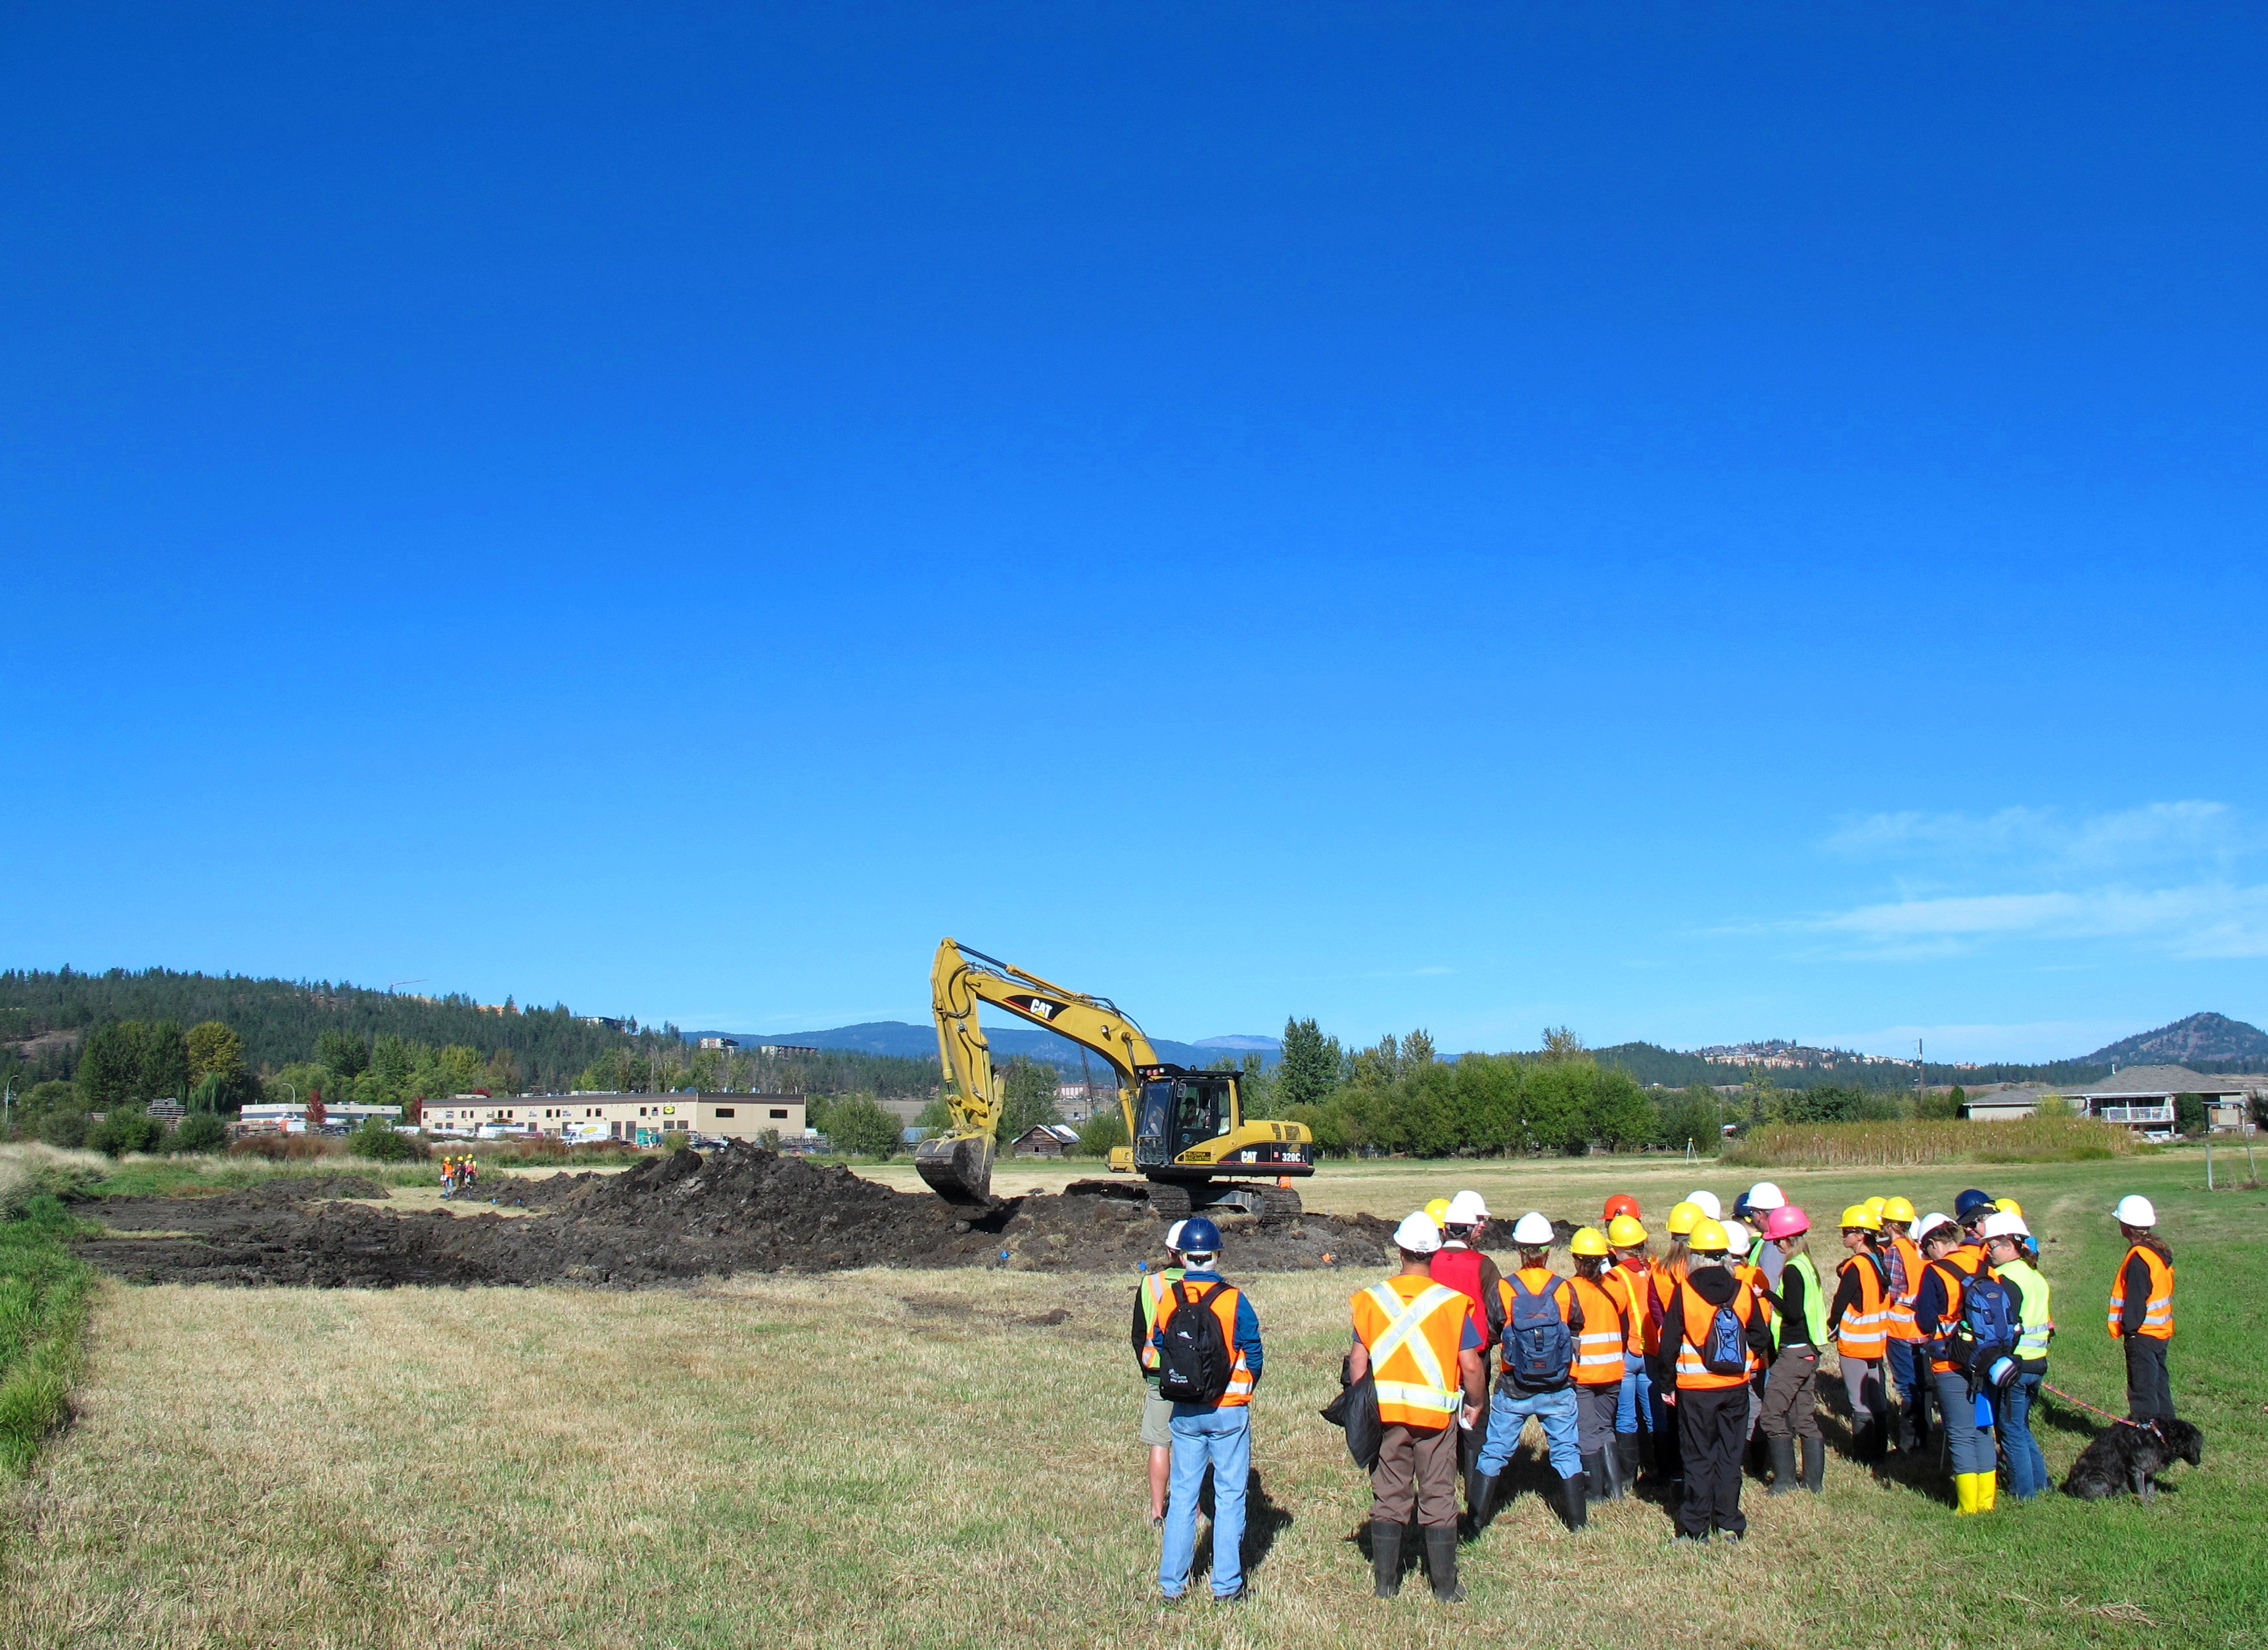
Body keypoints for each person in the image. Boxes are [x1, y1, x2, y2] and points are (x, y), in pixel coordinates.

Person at [1351, 1212, 1485, 1601]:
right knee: (1439, 1494)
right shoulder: (1452, 1304)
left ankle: (1385, 1584)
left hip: (1387, 1417)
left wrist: (1362, 1407)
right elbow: (1471, 1365)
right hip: (1436, 1419)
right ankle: (1445, 1587)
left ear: (1400, 1249)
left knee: (1389, 1494)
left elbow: (1358, 1361)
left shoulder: (1371, 1299)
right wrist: (1476, 1402)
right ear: (1436, 1252)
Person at [1151, 1216, 1264, 1603]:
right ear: (1217, 1255)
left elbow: (1161, 1343)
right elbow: (1254, 1349)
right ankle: (1227, 1587)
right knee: (1230, 1496)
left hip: (1184, 1410)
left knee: (1183, 1496)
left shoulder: (1170, 1297)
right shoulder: (1234, 1299)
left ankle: (1172, 1586)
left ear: (1182, 1257)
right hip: (1228, 1409)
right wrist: (1243, 1383)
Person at [1655, 1218, 1771, 1544]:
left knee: (1698, 1457)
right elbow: (1761, 1338)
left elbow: (1668, 1345)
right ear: (1726, 1255)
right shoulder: (1743, 1290)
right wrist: (1741, 1361)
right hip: (1735, 1389)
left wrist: (1666, 1385)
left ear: (1693, 1256)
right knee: (1730, 1455)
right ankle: (1730, 1523)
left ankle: (1696, 1529)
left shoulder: (1684, 1292)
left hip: (1695, 1392)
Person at [1474, 1211, 1586, 1530]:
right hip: (1558, 1387)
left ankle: (1476, 1521)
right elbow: (1577, 1325)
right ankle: (1578, 1523)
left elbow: (1492, 1331)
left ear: (1519, 1250)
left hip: (1514, 1387)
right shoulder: (1564, 1289)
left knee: (1495, 1450)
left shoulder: (1504, 1288)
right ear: (1549, 1250)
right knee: (1566, 1451)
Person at [1912, 1213, 1996, 1513]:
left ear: (1934, 1243)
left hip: (1950, 1361)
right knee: (1982, 1429)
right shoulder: (1984, 1266)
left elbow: (1924, 1321)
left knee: (1960, 1432)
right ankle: (1987, 1501)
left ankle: (1967, 1507)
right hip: (1986, 1359)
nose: (1926, 1256)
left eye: (1926, 1249)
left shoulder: (1935, 1272)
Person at [1428, 1189, 1504, 1517]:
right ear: (1471, 1231)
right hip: (1474, 1355)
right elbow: (1498, 1310)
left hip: (1432, 1355)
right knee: (1475, 1423)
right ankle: (1476, 1501)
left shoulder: (1428, 1261)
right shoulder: (1483, 1265)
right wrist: (1491, 1339)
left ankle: (1437, 1488)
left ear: (1445, 1229)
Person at [1983, 1212, 2053, 1499]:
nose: (1988, 1251)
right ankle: (2041, 1484)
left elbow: (2006, 1327)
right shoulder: (2034, 1275)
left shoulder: (2006, 1279)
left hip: (2016, 1367)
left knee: (2011, 1429)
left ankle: (2023, 1493)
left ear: (2009, 1245)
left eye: (1992, 1246)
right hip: (2037, 1363)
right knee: (2021, 1427)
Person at [1755, 1205, 1825, 1494]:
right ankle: (1813, 1483)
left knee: (1772, 1414)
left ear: (1788, 1239)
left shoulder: (1794, 1270)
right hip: (1808, 1351)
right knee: (1804, 1418)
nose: (1776, 1245)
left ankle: (1784, 1481)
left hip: (1794, 1352)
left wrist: (1767, 1294)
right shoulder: (1807, 1264)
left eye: (1777, 1241)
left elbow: (1794, 1312)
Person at [1131, 1221, 1190, 1524]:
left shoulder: (1150, 1284)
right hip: (1199, 1377)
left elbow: (1138, 1334)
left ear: (1169, 1251)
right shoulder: (1211, 1286)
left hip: (1160, 1374)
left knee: (1160, 1442)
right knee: (1192, 1445)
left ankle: (1157, 1511)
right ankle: (1193, 1508)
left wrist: (1148, 1369)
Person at [1566, 1227, 1632, 1502]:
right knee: (1605, 1427)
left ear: (1576, 1259)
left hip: (1584, 1374)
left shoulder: (1569, 1290)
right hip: (1613, 1371)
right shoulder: (1616, 1287)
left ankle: (1594, 1493)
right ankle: (1615, 1489)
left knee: (1586, 1431)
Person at [1828, 1204, 1890, 1458]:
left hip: (1855, 1342)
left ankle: (1864, 1454)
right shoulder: (1879, 1258)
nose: (1843, 1235)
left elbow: (1840, 1302)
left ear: (1861, 1235)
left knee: (1859, 1401)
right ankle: (1880, 1450)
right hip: (1876, 1341)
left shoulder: (1857, 1265)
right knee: (1876, 1397)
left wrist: (1832, 1324)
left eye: (1847, 1231)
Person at [1647, 1201, 1702, 1484]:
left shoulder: (1658, 1271)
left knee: (1672, 1414)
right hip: (1702, 1354)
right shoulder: (1702, 1271)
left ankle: (1673, 1471)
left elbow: (1657, 1314)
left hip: (1671, 1353)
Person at [2108, 1194, 2176, 1422]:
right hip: (2159, 1333)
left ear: (2126, 1225)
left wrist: (2130, 1330)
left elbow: (2136, 1301)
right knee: (2160, 1390)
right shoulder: (2155, 1252)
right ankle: (2168, 1434)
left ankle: (2147, 1435)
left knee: (2143, 1396)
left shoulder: (2139, 1259)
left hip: (2142, 1335)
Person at [1602, 1212, 1654, 1492]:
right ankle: (1657, 1470)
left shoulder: (1615, 1276)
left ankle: (1627, 1476)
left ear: (1614, 1248)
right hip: (1652, 1351)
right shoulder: (1655, 1267)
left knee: (1625, 1417)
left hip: (1628, 1353)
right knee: (1653, 1415)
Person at [1878, 1195, 1929, 1452]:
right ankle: (1923, 1437)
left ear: (1889, 1225)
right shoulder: (1916, 1248)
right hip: (1920, 1329)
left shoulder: (1895, 1252)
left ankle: (1909, 1444)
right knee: (1919, 1384)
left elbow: (1893, 1291)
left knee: (1907, 1387)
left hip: (1900, 1330)